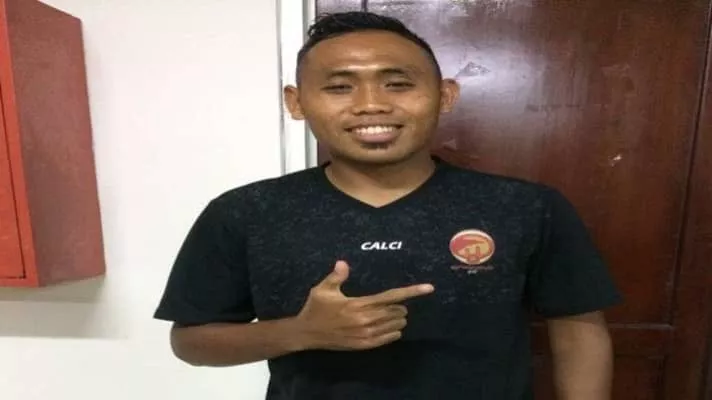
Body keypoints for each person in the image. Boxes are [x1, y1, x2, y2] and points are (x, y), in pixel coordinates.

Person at [154, 11, 622, 400]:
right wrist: (301, 331)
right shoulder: (245, 212)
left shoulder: (524, 207)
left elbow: (577, 326)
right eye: (339, 87)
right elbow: (191, 342)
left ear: (445, 95)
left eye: (398, 84)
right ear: (296, 103)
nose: (371, 105)